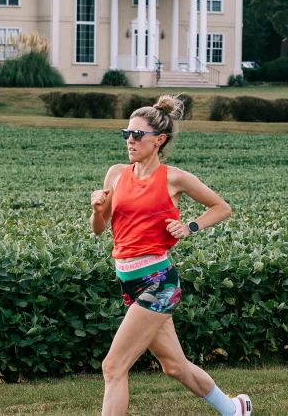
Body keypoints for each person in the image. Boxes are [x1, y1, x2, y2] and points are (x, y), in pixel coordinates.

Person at [90, 95, 251, 416]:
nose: (130, 141)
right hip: (129, 281)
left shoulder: (174, 178)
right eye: (127, 134)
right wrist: (96, 209)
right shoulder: (116, 174)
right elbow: (99, 229)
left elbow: (221, 207)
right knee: (174, 366)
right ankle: (235, 410)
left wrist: (190, 226)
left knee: (113, 366)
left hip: (159, 282)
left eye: (138, 135)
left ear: (159, 140)